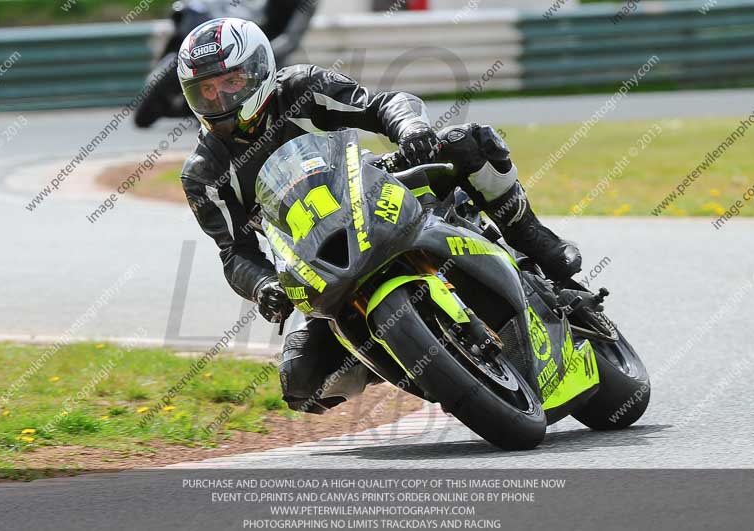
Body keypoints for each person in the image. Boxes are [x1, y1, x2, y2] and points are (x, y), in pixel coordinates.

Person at [177, 17, 582, 413]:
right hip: (314, 260)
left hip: (372, 194)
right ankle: (407, 351)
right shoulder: (203, 173)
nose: (220, 99)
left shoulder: (300, 88)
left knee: (467, 142)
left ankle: (536, 241)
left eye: (231, 82)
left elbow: (383, 104)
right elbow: (234, 252)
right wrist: (264, 284)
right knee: (303, 383)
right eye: (206, 90)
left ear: (259, 71)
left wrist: (411, 131)